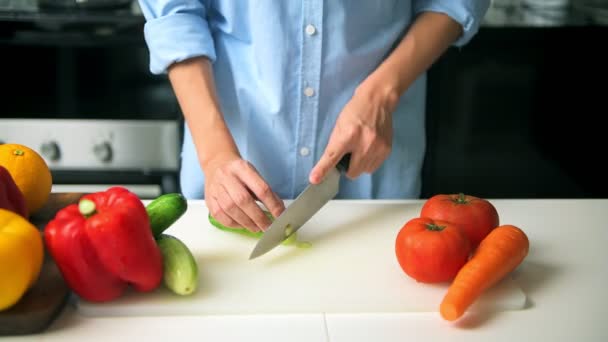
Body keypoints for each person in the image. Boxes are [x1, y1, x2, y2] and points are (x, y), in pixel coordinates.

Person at [138, 1, 490, 233]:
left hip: (373, 170)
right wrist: (215, 155)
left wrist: (381, 94)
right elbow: (174, 13)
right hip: (231, 161)